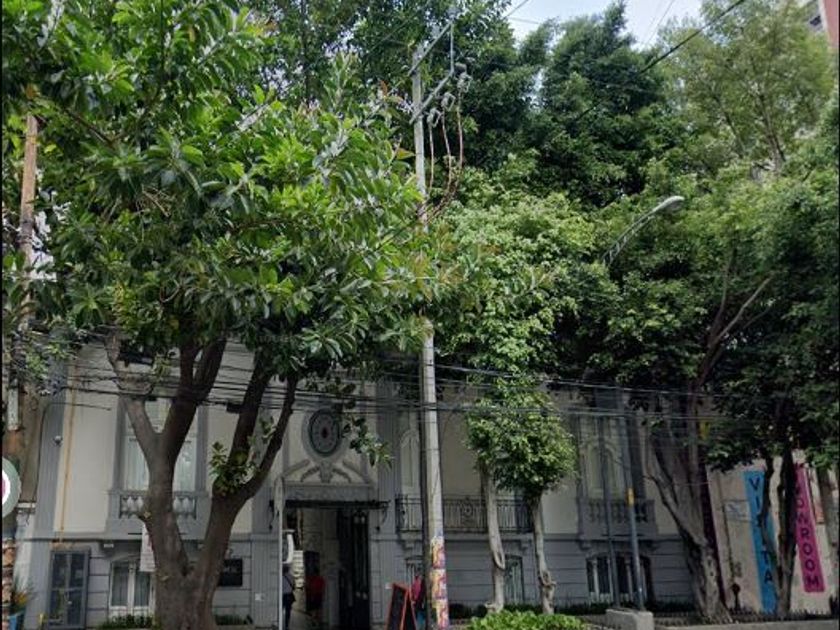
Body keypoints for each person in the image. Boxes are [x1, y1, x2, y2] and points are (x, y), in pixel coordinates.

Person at [282, 565, 295, 630]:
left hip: (283, 596)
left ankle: (279, 622)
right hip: (290, 596)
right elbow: (294, 586)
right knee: (288, 611)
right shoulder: (292, 577)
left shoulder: (281, 577)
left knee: (281, 610)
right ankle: (287, 625)